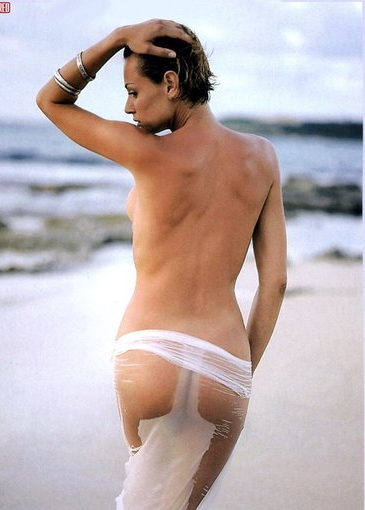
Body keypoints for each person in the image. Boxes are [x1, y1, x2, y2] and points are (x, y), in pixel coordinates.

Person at [36, 18, 287, 510]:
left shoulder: (144, 152)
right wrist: (237, 373)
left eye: (133, 92)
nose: (127, 107)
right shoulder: (263, 157)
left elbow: (52, 100)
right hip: (226, 361)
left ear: (170, 83)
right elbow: (274, 282)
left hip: (147, 355)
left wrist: (115, 38)